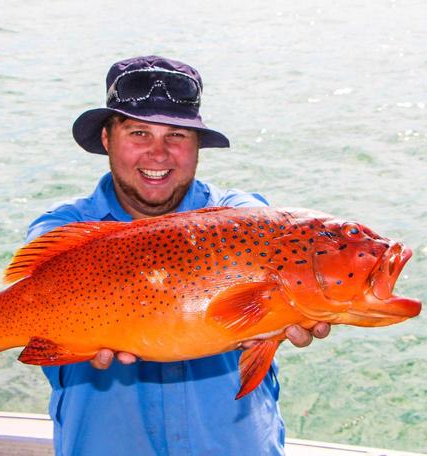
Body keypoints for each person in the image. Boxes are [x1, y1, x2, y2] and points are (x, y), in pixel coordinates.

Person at [26, 55, 330, 456]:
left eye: (177, 135)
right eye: (138, 133)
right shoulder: (64, 229)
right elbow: (31, 300)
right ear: (106, 139)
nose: (159, 154)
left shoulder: (243, 217)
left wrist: (305, 305)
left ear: (197, 145)